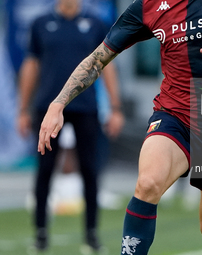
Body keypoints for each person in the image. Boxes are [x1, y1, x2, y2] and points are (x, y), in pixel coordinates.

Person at [37, 0, 202, 254]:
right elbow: (98, 59)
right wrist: (58, 104)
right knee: (148, 184)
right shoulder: (148, 6)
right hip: (173, 115)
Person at [17, 0, 124, 252]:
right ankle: (41, 234)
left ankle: (91, 234)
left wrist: (116, 108)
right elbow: (31, 65)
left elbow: (106, 66)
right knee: (45, 170)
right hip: (47, 108)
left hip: (86, 107)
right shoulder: (40, 24)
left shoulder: (96, 24)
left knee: (90, 170)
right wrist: (23, 108)